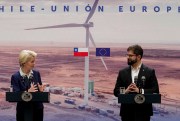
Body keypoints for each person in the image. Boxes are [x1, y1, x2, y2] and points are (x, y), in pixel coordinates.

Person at [113, 45, 159, 121]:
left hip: (143, 113)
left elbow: (155, 91)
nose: (128, 57)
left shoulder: (149, 72)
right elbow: (115, 91)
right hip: (126, 113)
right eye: (127, 55)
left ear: (138, 57)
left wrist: (140, 91)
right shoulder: (122, 72)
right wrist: (125, 91)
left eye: (130, 55)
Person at [11, 50, 45, 121]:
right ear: (24, 63)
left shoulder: (36, 74)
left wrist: (41, 91)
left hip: (37, 110)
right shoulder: (15, 77)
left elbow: (38, 92)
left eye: (34, 61)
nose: (34, 64)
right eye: (32, 62)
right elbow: (16, 96)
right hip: (23, 111)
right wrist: (28, 92)